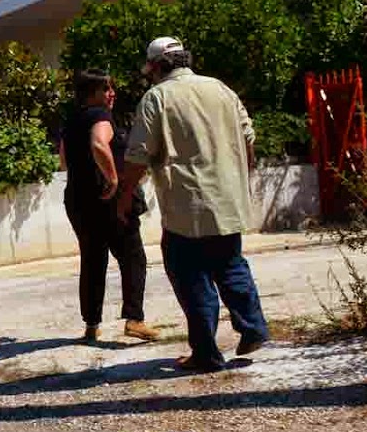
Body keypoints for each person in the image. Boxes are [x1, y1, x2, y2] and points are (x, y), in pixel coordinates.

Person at [115, 37, 270, 372]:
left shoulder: (157, 98)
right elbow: (248, 141)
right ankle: (253, 328)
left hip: (187, 205)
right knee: (230, 264)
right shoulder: (221, 89)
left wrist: (125, 195)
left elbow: (139, 153)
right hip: (227, 199)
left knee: (190, 276)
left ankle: (206, 353)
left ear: (156, 67)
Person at [59, 70, 158, 344]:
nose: (112, 93)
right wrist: (113, 178)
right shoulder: (100, 117)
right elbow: (98, 144)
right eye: (106, 89)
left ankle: (92, 325)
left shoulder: (72, 120)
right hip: (109, 202)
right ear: (92, 94)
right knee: (133, 258)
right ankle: (134, 320)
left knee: (93, 260)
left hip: (79, 201)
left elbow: (64, 161)